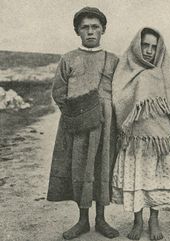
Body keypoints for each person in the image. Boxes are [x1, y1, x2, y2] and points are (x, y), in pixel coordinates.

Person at [112, 27, 170, 241]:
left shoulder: (164, 72)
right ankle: (137, 220)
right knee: (137, 178)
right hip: (135, 140)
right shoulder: (126, 70)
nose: (149, 51)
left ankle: (154, 219)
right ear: (136, 46)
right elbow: (118, 100)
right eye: (145, 45)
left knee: (156, 177)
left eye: (154, 46)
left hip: (160, 138)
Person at [47, 7, 119, 240]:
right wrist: (77, 114)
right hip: (77, 127)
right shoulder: (68, 59)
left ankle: (101, 219)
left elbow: (120, 93)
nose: (90, 32)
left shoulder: (113, 60)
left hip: (105, 127)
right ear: (77, 31)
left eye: (95, 27)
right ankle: (82, 220)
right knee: (79, 167)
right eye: (85, 27)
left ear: (103, 30)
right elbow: (58, 91)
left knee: (102, 166)